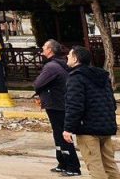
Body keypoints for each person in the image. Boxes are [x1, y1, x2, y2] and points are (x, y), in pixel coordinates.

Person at [64, 45, 119, 179]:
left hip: (87, 129)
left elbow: (75, 105)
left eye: (70, 55)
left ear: (76, 58)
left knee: (95, 165)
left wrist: (68, 128)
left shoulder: (76, 77)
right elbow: (112, 103)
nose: (67, 57)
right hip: (106, 126)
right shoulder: (102, 75)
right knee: (109, 164)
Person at [35, 39, 81, 175]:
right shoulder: (58, 64)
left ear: (49, 50)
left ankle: (72, 167)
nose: (42, 48)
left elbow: (37, 83)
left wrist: (40, 91)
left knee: (62, 135)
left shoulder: (51, 67)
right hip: (59, 103)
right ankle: (62, 163)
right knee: (58, 135)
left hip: (57, 105)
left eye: (44, 47)